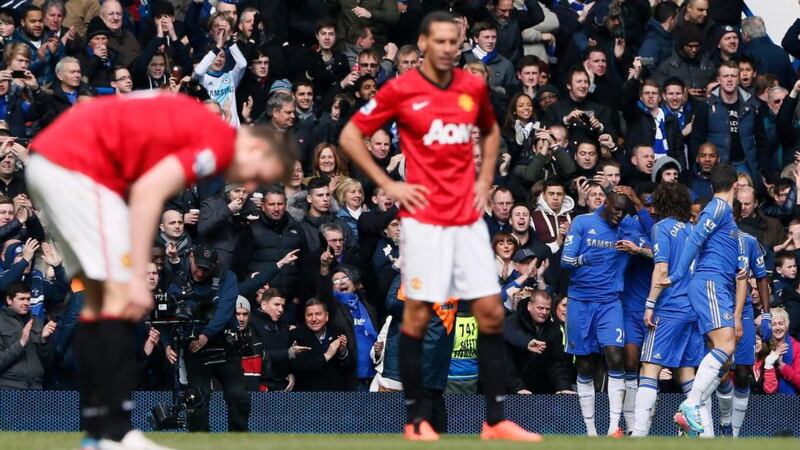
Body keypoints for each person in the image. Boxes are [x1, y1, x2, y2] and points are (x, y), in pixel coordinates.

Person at [25, 94, 294, 450]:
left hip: (55, 162)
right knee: (119, 297)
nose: (250, 183)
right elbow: (151, 191)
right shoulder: (217, 141)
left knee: (99, 302)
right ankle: (114, 432)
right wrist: (137, 271)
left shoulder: (193, 121)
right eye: (258, 174)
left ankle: (98, 432)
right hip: (77, 169)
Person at [339, 11, 542, 442]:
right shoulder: (401, 88)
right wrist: (387, 183)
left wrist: (485, 181)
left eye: (456, 41)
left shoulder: (471, 86)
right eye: (442, 41)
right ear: (425, 44)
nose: (450, 48)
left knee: (487, 310)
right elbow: (350, 136)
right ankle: (416, 421)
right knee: (418, 314)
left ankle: (494, 420)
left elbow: (490, 134)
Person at [658, 164, 749, 436]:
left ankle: (690, 408)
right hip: (709, 283)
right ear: (737, 186)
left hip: (718, 283)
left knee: (725, 356)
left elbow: (712, 246)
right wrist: (676, 275)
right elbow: (694, 240)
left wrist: (736, 267)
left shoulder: (724, 214)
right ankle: (691, 405)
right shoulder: (718, 207)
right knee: (726, 344)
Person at [632, 182, 705, 437]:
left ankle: (639, 434)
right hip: (692, 309)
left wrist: (650, 304)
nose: (651, 208)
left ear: (663, 204)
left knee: (649, 368)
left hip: (669, 307)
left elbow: (662, 269)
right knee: (687, 374)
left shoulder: (661, 228)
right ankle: (706, 435)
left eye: (654, 203)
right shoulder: (691, 229)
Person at [560, 192, 630, 437]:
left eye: (624, 211)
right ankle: (590, 430)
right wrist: (583, 259)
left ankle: (614, 427)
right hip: (581, 301)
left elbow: (647, 229)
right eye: (617, 210)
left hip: (610, 301)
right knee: (586, 363)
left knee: (615, 356)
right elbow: (565, 261)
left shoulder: (625, 227)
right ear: (605, 203)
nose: (619, 216)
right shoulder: (582, 222)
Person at [715, 230, 771, 437]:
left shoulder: (749, 241)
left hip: (744, 309)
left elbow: (762, 277)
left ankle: (733, 434)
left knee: (743, 372)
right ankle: (724, 422)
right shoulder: (710, 237)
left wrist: (766, 315)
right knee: (721, 368)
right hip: (718, 305)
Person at [503, 290, 572, 394]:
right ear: (529, 306)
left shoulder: (553, 329)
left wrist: (563, 387)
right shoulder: (511, 323)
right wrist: (517, 388)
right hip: (512, 392)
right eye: (540, 308)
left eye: (547, 309)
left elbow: (556, 363)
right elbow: (506, 364)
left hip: (542, 394)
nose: (544, 312)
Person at [0, 282, 56, 389]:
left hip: (35, 387)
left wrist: (44, 340)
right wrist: (21, 344)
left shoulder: (37, 322)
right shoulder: (1, 322)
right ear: (9, 300)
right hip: (8, 388)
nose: (26, 303)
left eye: (28, 299)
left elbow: (48, 362)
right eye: (21, 299)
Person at [763, 307, 800, 394]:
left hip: (790, 399)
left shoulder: (797, 347)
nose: (777, 327)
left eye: (781, 323)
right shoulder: (764, 346)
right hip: (765, 398)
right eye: (773, 324)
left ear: (786, 326)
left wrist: (783, 367)